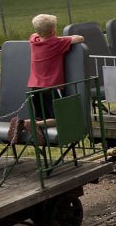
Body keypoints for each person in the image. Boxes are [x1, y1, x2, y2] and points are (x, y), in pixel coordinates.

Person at [14, 13, 75, 143]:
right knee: (61, 119)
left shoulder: (33, 39)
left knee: (40, 115)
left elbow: (37, 35)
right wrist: (59, 37)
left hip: (34, 86)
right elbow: (79, 38)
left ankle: (23, 122)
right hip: (52, 86)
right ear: (53, 31)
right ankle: (32, 124)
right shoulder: (56, 42)